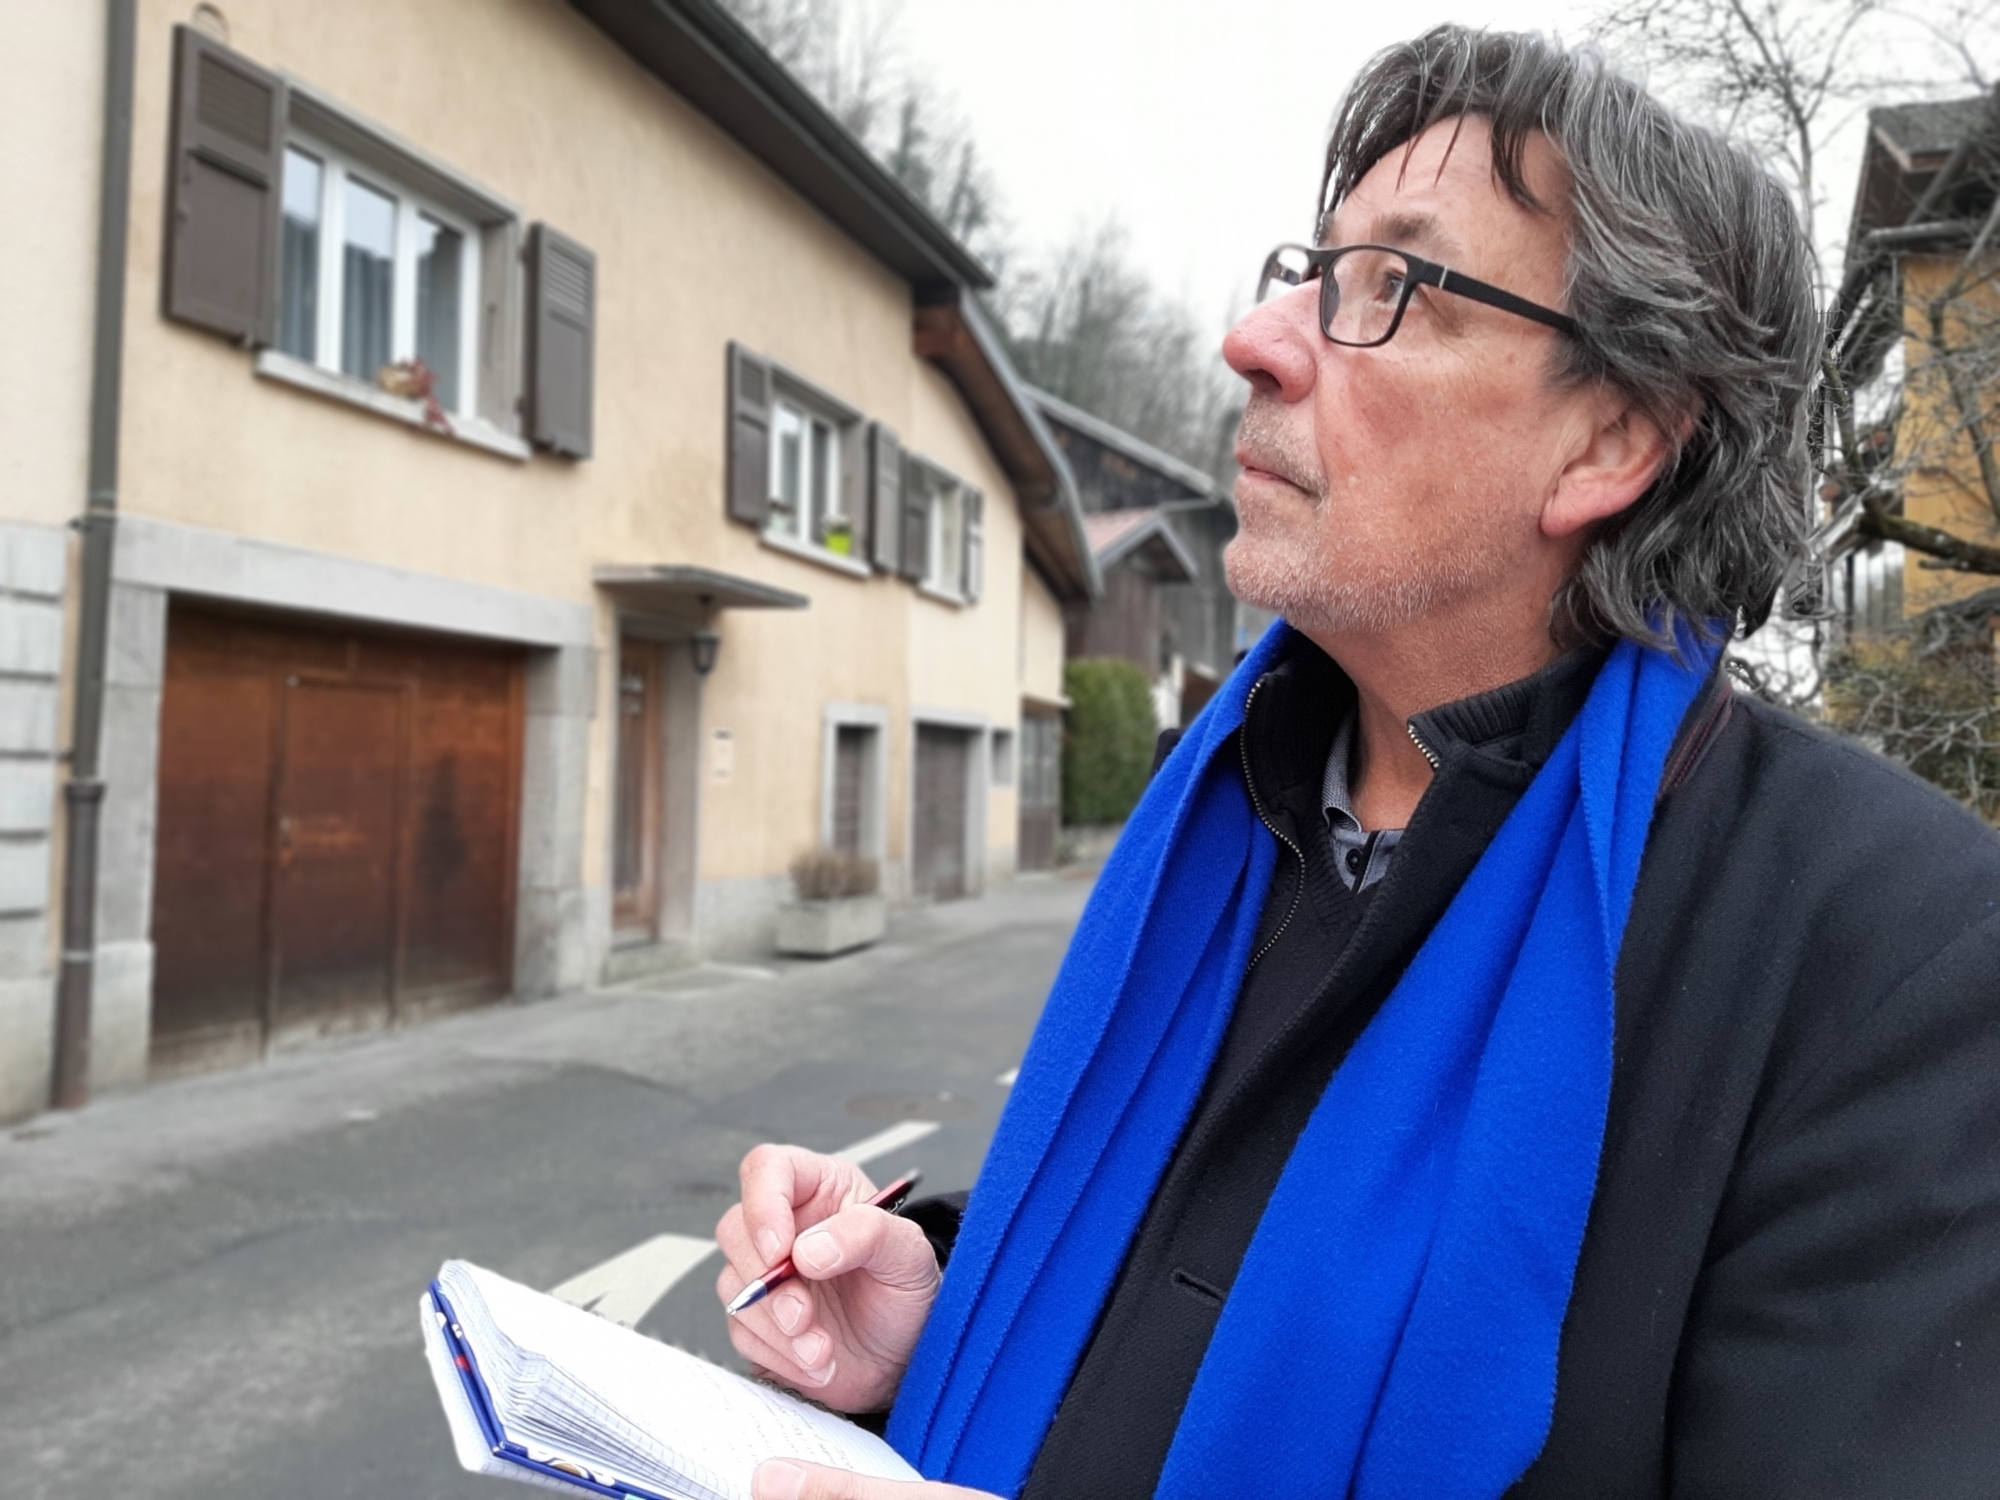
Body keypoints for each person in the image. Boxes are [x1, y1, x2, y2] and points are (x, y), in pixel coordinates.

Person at [716, 26, 2000, 1500]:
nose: (1258, 341)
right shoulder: (1230, 813)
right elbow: (1210, 1277)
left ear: (1611, 442)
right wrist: (944, 1312)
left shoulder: (1902, 957)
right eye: (1312, 272)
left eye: (1395, 287)